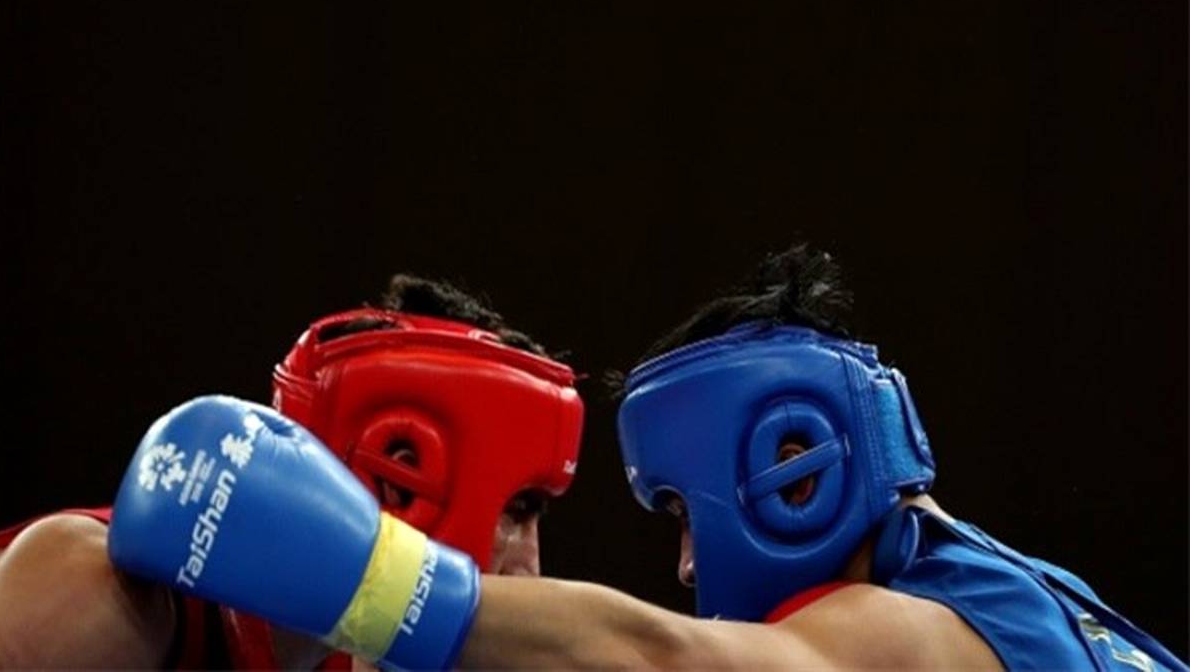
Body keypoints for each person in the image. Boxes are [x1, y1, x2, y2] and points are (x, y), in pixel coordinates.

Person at [105, 247, 1186, 671]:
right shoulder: (1036, 597)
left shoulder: (907, 634)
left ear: (792, 469)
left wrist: (368, 577)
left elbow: (661, 659)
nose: (686, 566)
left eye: (679, 512)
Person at [0, 275, 584, 670]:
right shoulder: (107, 591)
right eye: (519, 508)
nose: (530, 565)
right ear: (401, 476)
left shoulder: (360, 654)